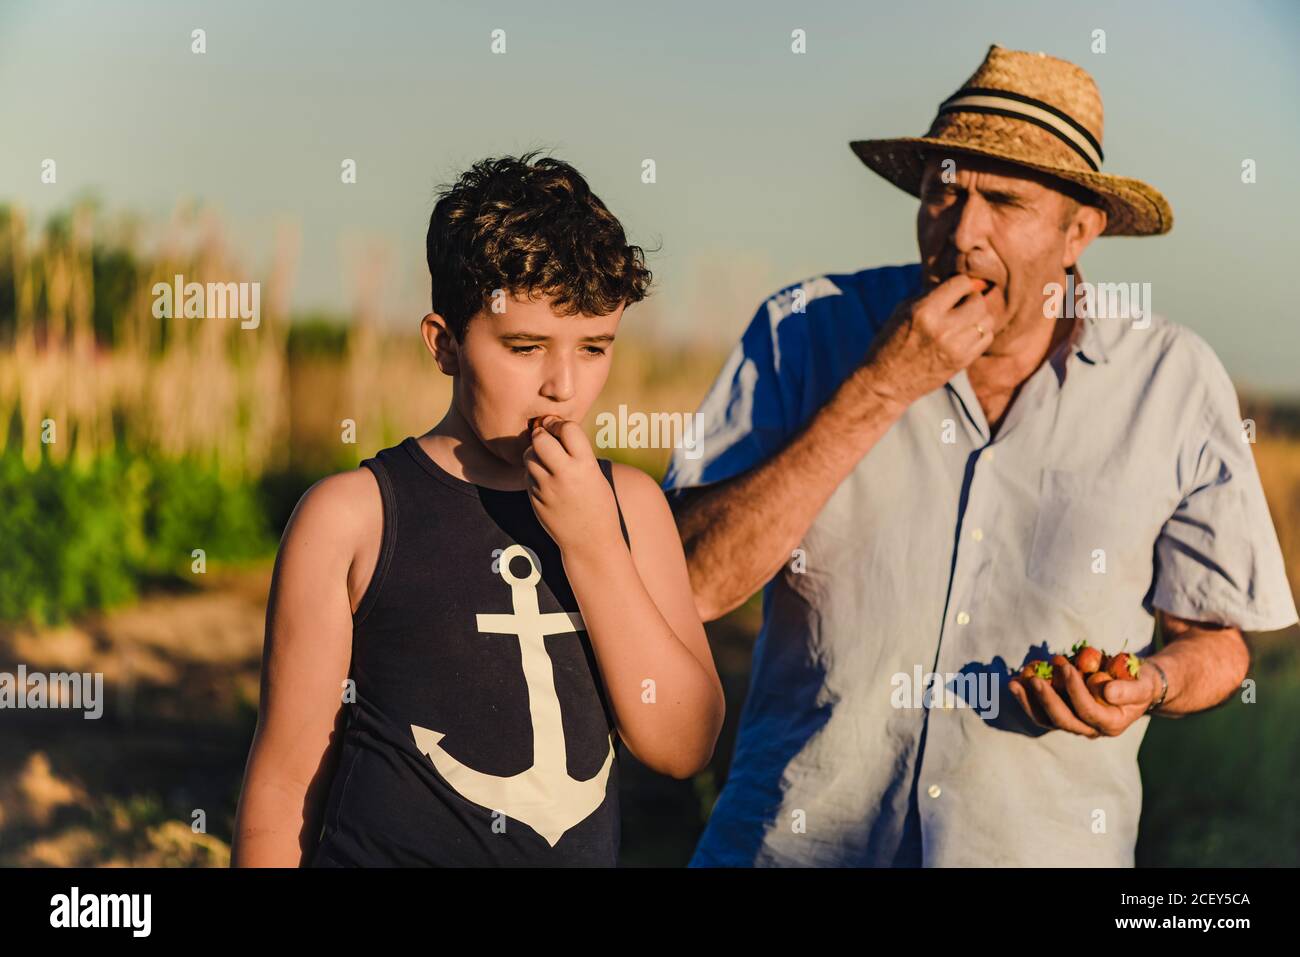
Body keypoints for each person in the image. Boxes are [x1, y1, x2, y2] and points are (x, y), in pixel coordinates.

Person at [664, 45, 1297, 866]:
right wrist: (878, 389)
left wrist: (1151, 683)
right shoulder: (802, 331)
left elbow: (1216, 640)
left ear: (1081, 230)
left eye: (1004, 200)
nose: (963, 231)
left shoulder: (1172, 381)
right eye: (944, 191)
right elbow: (690, 583)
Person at [232, 151, 724, 866]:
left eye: (594, 347)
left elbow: (683, 743)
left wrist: (593, 545)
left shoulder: (630, 509)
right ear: (445, 345)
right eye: (525, 346)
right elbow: (282, 789)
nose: (563, 385)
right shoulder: (353, 518)